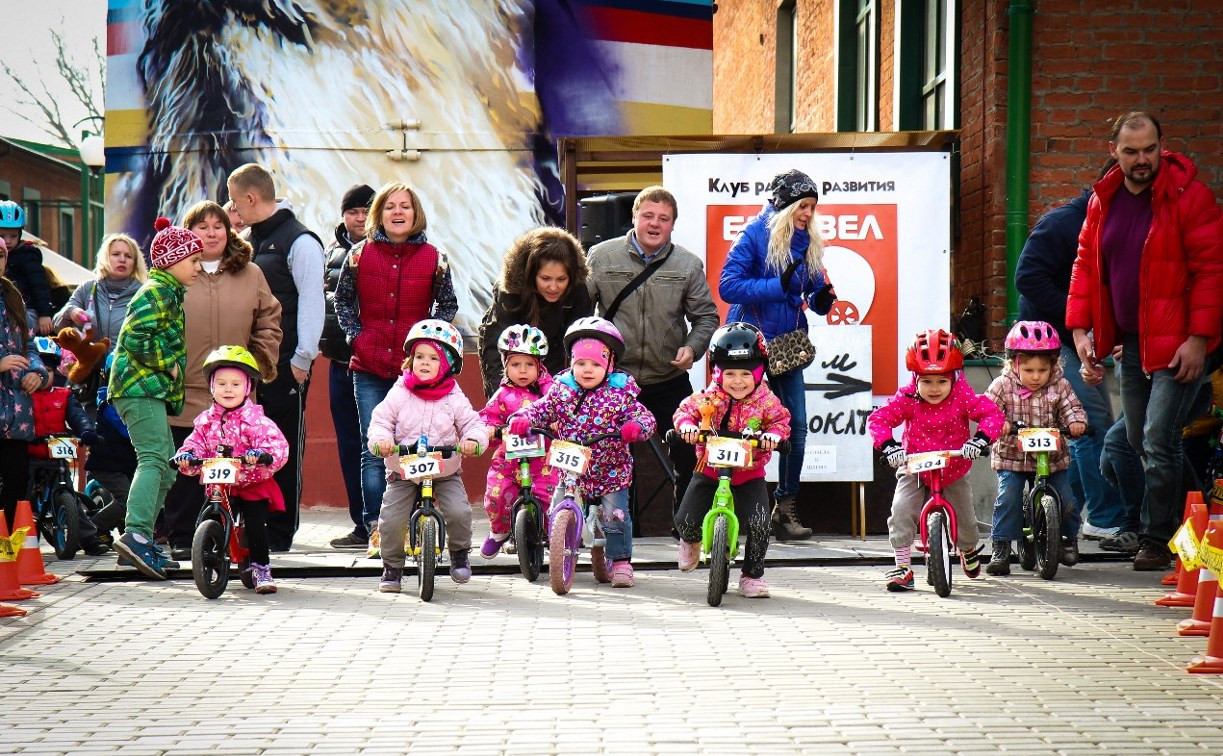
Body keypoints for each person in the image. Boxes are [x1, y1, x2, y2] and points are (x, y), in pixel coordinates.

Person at [1066, 111, 1223, 571]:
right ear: (1113, 149)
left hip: (1182, 342)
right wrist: (1080, 329)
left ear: (1162, 146)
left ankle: (1158, 540)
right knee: (1139, 439)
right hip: (1134, 341)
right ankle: (1204, 526)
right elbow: (1085, 266)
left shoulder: (1189, 196)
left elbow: (1212, 272)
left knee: (1159, 437)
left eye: (1150, 149)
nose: (1142, 160)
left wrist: (1198, 340)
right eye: (1131, 151)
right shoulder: (1103, 199)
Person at [333, 181, 458, 553]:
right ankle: (378, 528)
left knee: (422, 446)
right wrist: (357, 337)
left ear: (415, 213)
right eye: (390, 207)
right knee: (376, 449)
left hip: (417, 373)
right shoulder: (358, 254)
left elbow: (447, 306)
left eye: (405, 206)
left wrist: (431, 347)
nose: (398, 212)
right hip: (369, 367)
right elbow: (341, 303)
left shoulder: (436, 257)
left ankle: (420, 522)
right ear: (379, 214)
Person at [586, 186, 718, 534]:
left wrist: (693, 348)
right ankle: (613, 532)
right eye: (648, 216)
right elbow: (581, 314)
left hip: (667, 379)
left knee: (690, 451)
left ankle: (685, 527)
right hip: (614, 381)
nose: (655, 224)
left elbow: (706, 317)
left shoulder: (687, 265)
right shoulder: (600, 257)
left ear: (673, 224)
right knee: (605, 454)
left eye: (663, 218)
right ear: (634, 218)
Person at [719, 170, 837, 541]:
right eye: (803, 205)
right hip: (749, 344)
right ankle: (728, 503)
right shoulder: (754, 234)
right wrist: (777, 285)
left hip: (786, 345)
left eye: (813, 207)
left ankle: (784, 509)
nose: (808, 213)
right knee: (732, 423)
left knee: (796, 427)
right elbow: (728, 285)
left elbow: (816, 293)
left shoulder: (809, 242)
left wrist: (822, 299)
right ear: (784, 205)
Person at [161, 200, 283, 560]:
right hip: (185, 391)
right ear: (189, 233)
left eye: (218, 226)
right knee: (188, 470)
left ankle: (237, 541)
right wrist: (167, 366)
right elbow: (158, 325)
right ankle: (184, 537)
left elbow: (269, 320)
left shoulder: (251, 273)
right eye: (202, 226)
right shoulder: (174, 274)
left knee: (240, 472)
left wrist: (258, 362)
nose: (211, 232)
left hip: (235, 394)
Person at [509, 317, 657, 588]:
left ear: (609, 365)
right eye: (580, 364)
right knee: (556, 505)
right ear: (571, 364)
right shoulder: (562, 390)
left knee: (615, 515)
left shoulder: (619, 394)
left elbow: (644, 417)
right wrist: (524, 418)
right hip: (571, 466)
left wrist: (635, 426)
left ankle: (621, 561)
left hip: (610, 467)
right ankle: (558, 546)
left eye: (595, 364)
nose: (587, 370)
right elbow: (540, 408)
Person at [1014, 163, 1120, 539]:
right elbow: (1026, 277)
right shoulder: (1063, 223)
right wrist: (1078, 318)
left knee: (1088, 430)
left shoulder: (1107, 223)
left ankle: (1066, 518)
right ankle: (1105, 519)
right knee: (1091, 428)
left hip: (1075, 337)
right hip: (1053, 341)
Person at [227, 163, 325, 550]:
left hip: (286, 365)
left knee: (282, 445)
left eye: (236, 201)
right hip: (246, 366)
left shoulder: (300, 241)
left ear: (251, 198)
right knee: (246, 443)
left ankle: (281, 530)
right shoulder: (249, 239)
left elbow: (313, 302)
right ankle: (253, 525)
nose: (232, 208)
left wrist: (303, 358)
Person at [868, 329, 1004, 592]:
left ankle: (967, 548)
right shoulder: (908, 397)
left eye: (942, 381)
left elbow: (991, 414)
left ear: (954, 377)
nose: (934, 389)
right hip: (915, 467)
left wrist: (980, 440)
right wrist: (889, 446)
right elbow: (879, 419)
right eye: (926, 381)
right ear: (915, 378)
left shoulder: (962, 395)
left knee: (965, 519)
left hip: (952, 468)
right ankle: (903, 566)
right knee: (901, 510)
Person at [109, 218, 202, 579]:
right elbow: (134, 338)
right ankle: (136, 535)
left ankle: (137, 542)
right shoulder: (157, 291)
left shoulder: (169, 292)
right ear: (172, 261)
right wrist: (172, 367)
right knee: (154, 460)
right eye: (192, 260)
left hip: (148, 389)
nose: (198, 266)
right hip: (139, 388)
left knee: (166, 466)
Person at [367, 319, 488, 593]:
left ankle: (459, 553)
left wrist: (472, 440)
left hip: (444, 470)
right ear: (410, 360)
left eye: (433, 358)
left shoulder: (454, 397)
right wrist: (381, 440)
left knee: (459, 510)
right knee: (392, 519)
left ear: (447, 365)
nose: (424, 362)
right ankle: (392, 567)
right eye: (419, 356)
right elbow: (381, 421)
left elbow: (473, 423)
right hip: (404, 470)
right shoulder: (399, 393)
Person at [672, 322, 791, 598]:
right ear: (717, 372)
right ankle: (690, 541)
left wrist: (773, 435)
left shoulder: (766, 401)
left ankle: (752, 575)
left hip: (749, 473)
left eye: (746, 374)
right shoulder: (709, 396)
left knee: (761, 524)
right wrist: (687, 427)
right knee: (685, 519)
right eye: (730, 374)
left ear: (759, 372)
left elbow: (781, 421)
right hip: (710, 469)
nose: (738, 381)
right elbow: (685, 411)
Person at [172, 346, 289, 594]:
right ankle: (209, 552)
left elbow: (276, 445)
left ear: (247, 389)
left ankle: (261, 567)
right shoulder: (205, 421)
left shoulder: (256, 421)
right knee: (210, 514)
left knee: (256, 523)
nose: (228, 389)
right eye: (222, 383)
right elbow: (194, 443)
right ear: (212, 387)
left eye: (236, 384)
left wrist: (262, 455)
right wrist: (186, 456)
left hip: (251, 482)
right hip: (220, 484)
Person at [984, 321, 1089, 575]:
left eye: (1043, 369)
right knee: (1008, 495)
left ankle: (1066, 538)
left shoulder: (1060, 385)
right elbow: (986, 410)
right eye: (1028, 369)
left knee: (1066, 498)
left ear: (1054, 365)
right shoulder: (1003, 384)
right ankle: (1001, 546)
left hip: (1051, 459)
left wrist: (1075, 422)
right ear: (1013, 364)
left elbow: (1072, 408)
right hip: (1013, 458)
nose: (1035, 376)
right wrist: (999, 424)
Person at [477, 227, 594, 398]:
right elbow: (495, 345)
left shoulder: (578, 290)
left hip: (553, 358)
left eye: (561, 279)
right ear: (532, 275)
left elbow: (581, 343)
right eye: (545, 279)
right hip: (511, 361)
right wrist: (501, 396)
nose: (554, 287)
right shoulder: (510, 291)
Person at [322, 184, 375, 549]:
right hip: (340, 364)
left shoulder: (383, 251)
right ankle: (360, 523)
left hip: (376, 367)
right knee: (348, 445)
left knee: (377, 445)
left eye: (365, 211)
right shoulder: (331, 253)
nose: (359, 218)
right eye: (353, 211)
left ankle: (381, 523)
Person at [476, 324, 559, 558]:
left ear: (539, 366)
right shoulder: (502, 395)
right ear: (505, 366)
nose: (522, 371)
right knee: (497, 493)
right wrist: (489, 430)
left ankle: (556, 537)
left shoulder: (549, 393)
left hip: (543, 462)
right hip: (509, 459)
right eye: (515, 364)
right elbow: (487, 418)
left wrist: (556, 423)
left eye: (529, 365)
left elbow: (562, 410)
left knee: (551, 498)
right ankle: (499, 532)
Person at [26, 337, 108, 556]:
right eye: (40, 370)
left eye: (50, 371)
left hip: (56, 455)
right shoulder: (23, 396)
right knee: (22, 496)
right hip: (30, 455)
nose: (44, 376)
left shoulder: (63, 395)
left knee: (69, 495)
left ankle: (89, 539)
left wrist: (87, 432)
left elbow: (77, 416)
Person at [0, 236, 51, 530]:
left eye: (1, 255)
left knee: (18, 485)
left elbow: (29, 347)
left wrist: (37, 373)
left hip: (17, 412)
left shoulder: (13, 296)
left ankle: (9, 555)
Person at [54, 233, 148, 357]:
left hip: (128, 372)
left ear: (135, 262)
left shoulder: (144, 294)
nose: (122, 259)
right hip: (91, 370)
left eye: (128, 256)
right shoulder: (87, 288)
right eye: (116, 254)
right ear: (105, 258)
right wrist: (71, 312)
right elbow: (57, 325)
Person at [0, 200, 53, 335]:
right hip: (4, 310)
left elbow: (39, 286)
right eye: (2, 236)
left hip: (26, 309)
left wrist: (44, 314)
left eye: (13, 236)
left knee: (16, 336)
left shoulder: (27, 256)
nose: (8, 241)